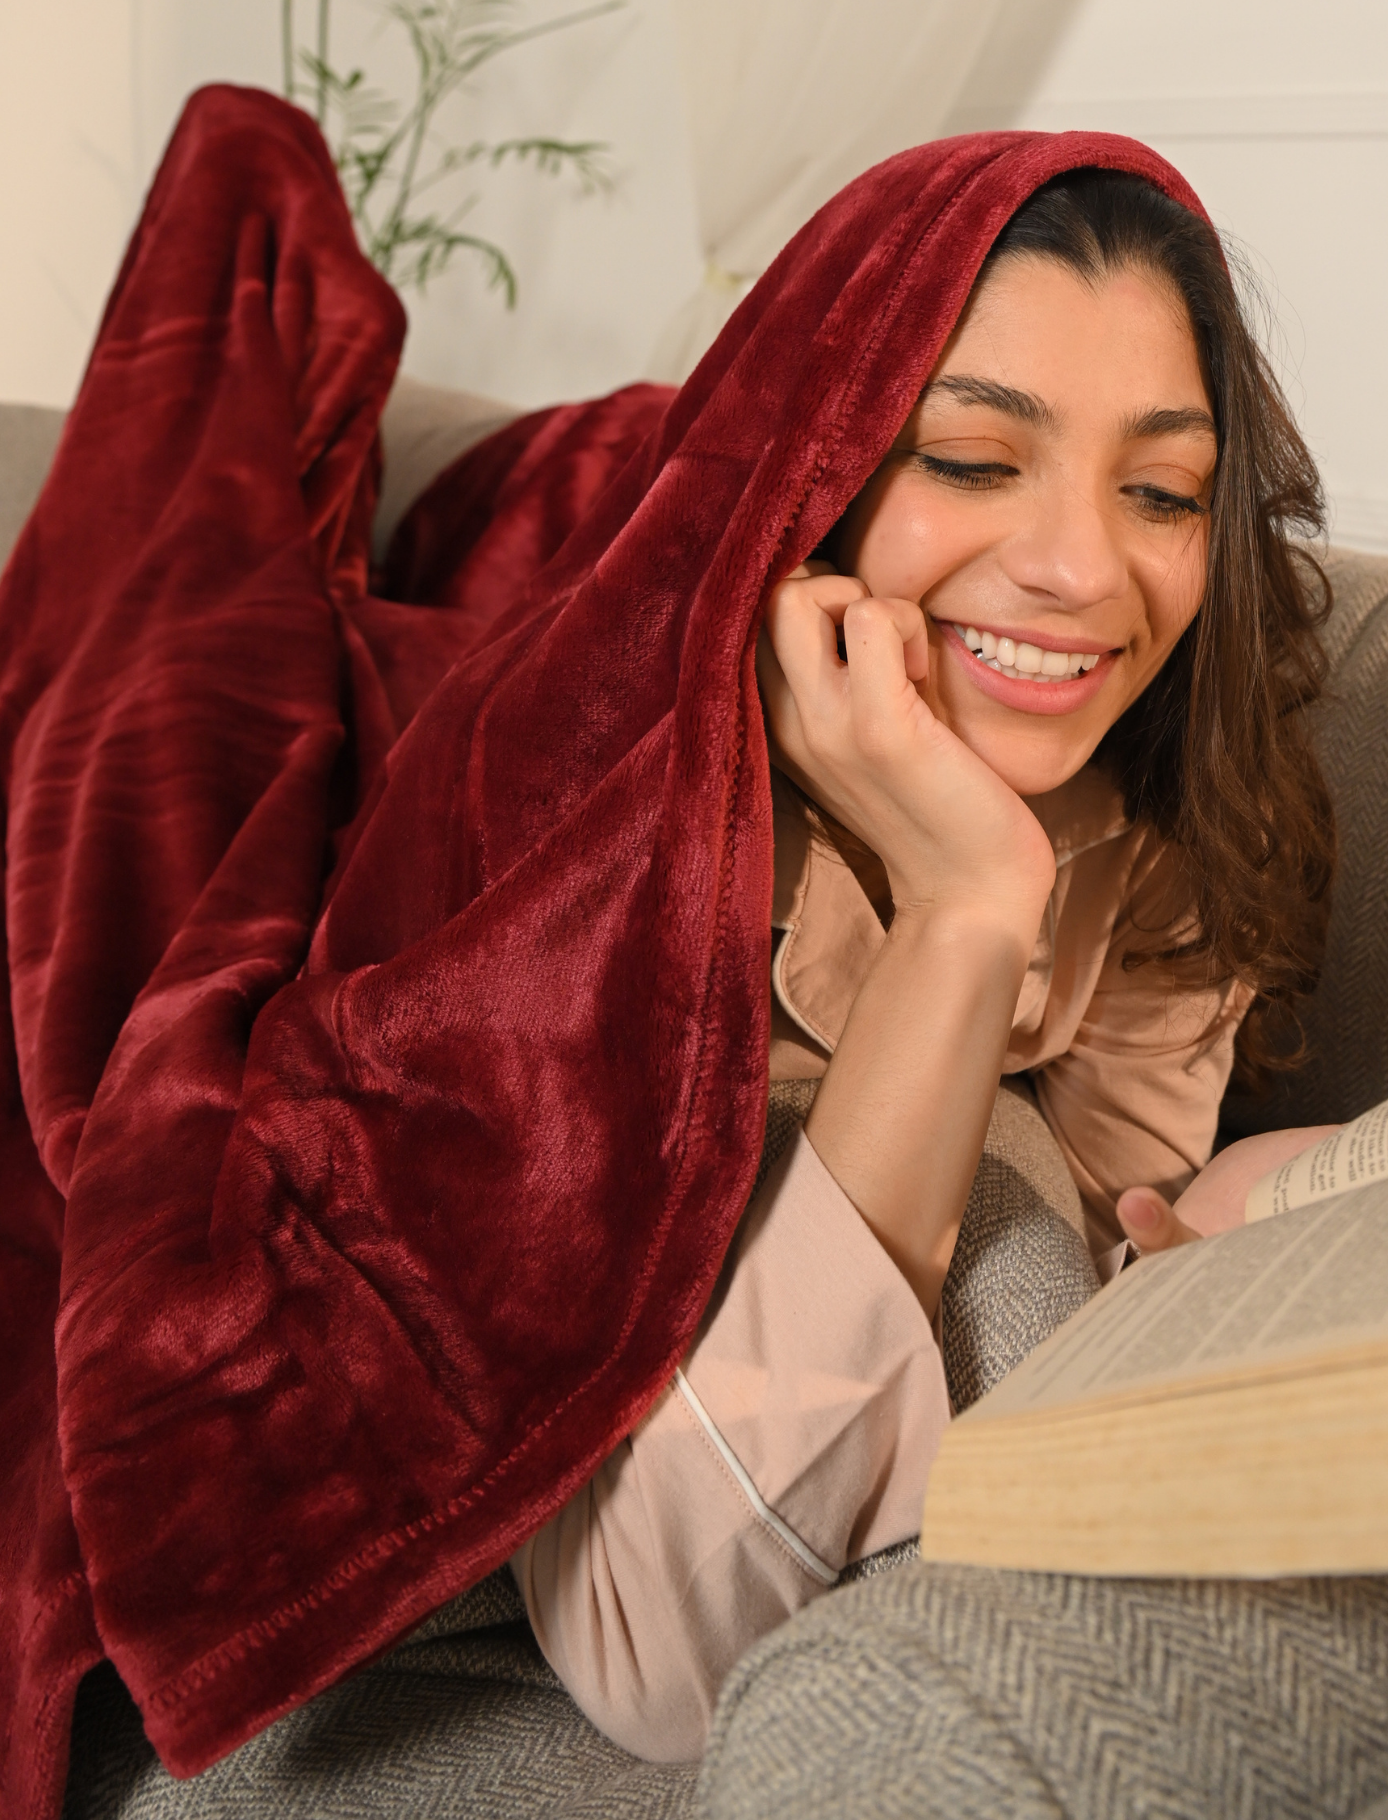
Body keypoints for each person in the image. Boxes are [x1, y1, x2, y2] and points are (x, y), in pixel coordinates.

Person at [511, 168, 1340, 1761]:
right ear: (816, 482)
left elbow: (1105, 1215)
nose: (1083, 570)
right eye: (973, 460)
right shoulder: (629, 852)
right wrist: (969, 901)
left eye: (1161, 493)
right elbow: (654, 1652)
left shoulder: (1168, 829)